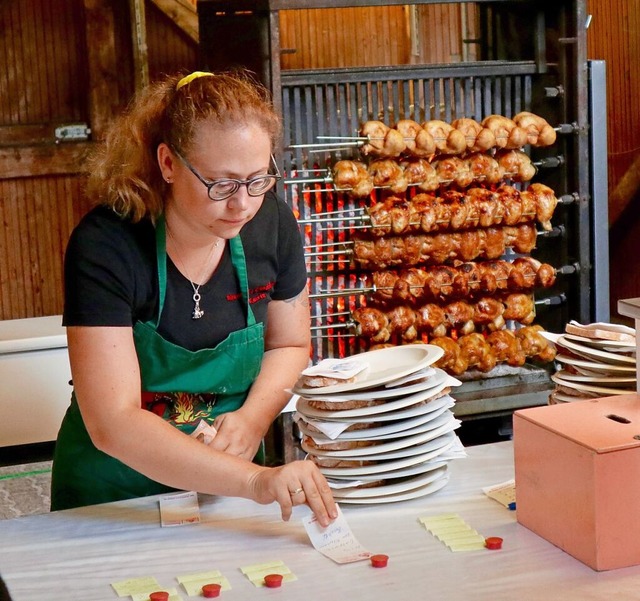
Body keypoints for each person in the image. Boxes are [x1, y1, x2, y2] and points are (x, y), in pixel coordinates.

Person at [50, 70, 337, 527]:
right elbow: (113, 421)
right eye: (221, 185)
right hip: (115, 495)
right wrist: (254, 482)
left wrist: (249, 422)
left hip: (225, 490)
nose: (242, 205)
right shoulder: (108, 244)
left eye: (258, 180)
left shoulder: (274, 225)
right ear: (168, 163)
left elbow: (290, 345)